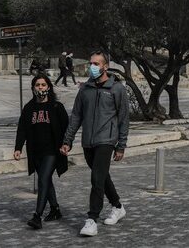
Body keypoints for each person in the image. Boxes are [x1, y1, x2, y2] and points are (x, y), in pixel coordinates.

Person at [60, 50, 130, 237]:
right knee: (101, 176)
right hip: (88, 142)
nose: (92, 66)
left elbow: (123, 118)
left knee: (96, 179)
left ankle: (91, 219)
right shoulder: (85, 89)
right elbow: (76, 116)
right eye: (91, 63)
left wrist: (121, 145)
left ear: (105, 66)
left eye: (96, 64)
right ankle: (118, 206)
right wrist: (68, 140)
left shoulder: (117, 89)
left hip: (106, 140)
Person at [14, 74, 69, 230]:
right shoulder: (29, 108)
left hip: (52, 151)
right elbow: (22, 129)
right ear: (33, 88)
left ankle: (37, 216)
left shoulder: (57, 107)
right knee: (46, 181)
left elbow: (67, 128)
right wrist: (18, 148)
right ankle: (55, 209)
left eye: (43, 85)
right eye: (37, 85)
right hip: (35, 152)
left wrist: (67, 144)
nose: (40, 88)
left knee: (43, 179)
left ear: (48, 87)